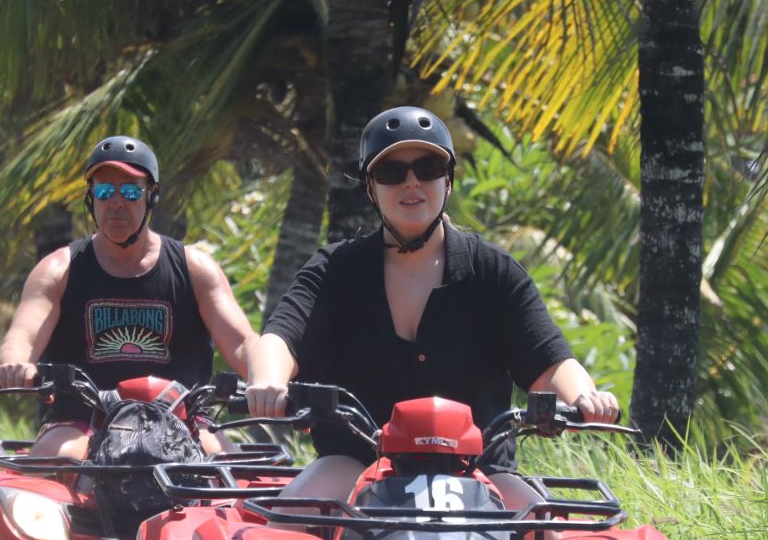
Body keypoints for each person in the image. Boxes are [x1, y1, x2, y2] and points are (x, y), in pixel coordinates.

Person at [246, 106, 620, 508]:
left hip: (478, 473)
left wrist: (584, 397)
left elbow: (550, 361)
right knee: (279, 535)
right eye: (392, 172)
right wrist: (268, 381)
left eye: (427, 168)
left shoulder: (494, 272)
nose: (412, 183)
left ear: (449, 181)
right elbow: (281, 336)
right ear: (371, 187)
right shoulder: (336, 268)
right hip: (354, 465)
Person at [0, 136, 258, 458]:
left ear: (152, 196)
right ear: (91, 198)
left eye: (131, 191)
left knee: (224, 464)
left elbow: (243, 343)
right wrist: (15, 365)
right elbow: (21, 336)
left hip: (182, 421)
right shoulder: (58, 270)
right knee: (55, 457)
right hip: (83, 421)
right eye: (105, 191)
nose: (116, 202)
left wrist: (266, 378)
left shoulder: (195, 269)